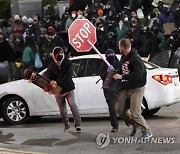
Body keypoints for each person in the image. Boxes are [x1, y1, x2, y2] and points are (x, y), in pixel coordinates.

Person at [113, 38, 152, 139]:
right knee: (120, 110)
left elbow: (138, 74)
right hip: (126, 87)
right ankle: (135, 125)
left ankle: (147, 131)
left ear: (122, 47)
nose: (118, 48)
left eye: (119, 46)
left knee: (135, 112)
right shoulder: (124, 57)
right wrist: (117, 72)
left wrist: (122, 77)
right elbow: (125, 70)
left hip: (137, 88)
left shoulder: (135, 58)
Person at [44, 46, 81, 132]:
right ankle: (66, 125)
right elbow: (47, 77)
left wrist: (57, 82)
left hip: (68, 88)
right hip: (58, 91)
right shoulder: (52, 65)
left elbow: (68, 77)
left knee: (72, 104)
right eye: (57, 55)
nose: (59, 57)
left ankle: (77, 124)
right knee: (62, 109)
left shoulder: (68, 63)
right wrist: (48, 87)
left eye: (61, 54)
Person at [99, 49, 120, 132]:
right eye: (109, 55)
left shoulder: (119, 63)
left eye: (112, 55)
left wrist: (117, 71)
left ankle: (130, 121)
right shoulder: (104, 65)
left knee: (123, 107)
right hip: (108, 89)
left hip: (118, 87)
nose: (111, 57)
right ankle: (115, 125)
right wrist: (107, 72)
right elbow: (102, 76)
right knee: (112, 108)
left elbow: (122, 72)